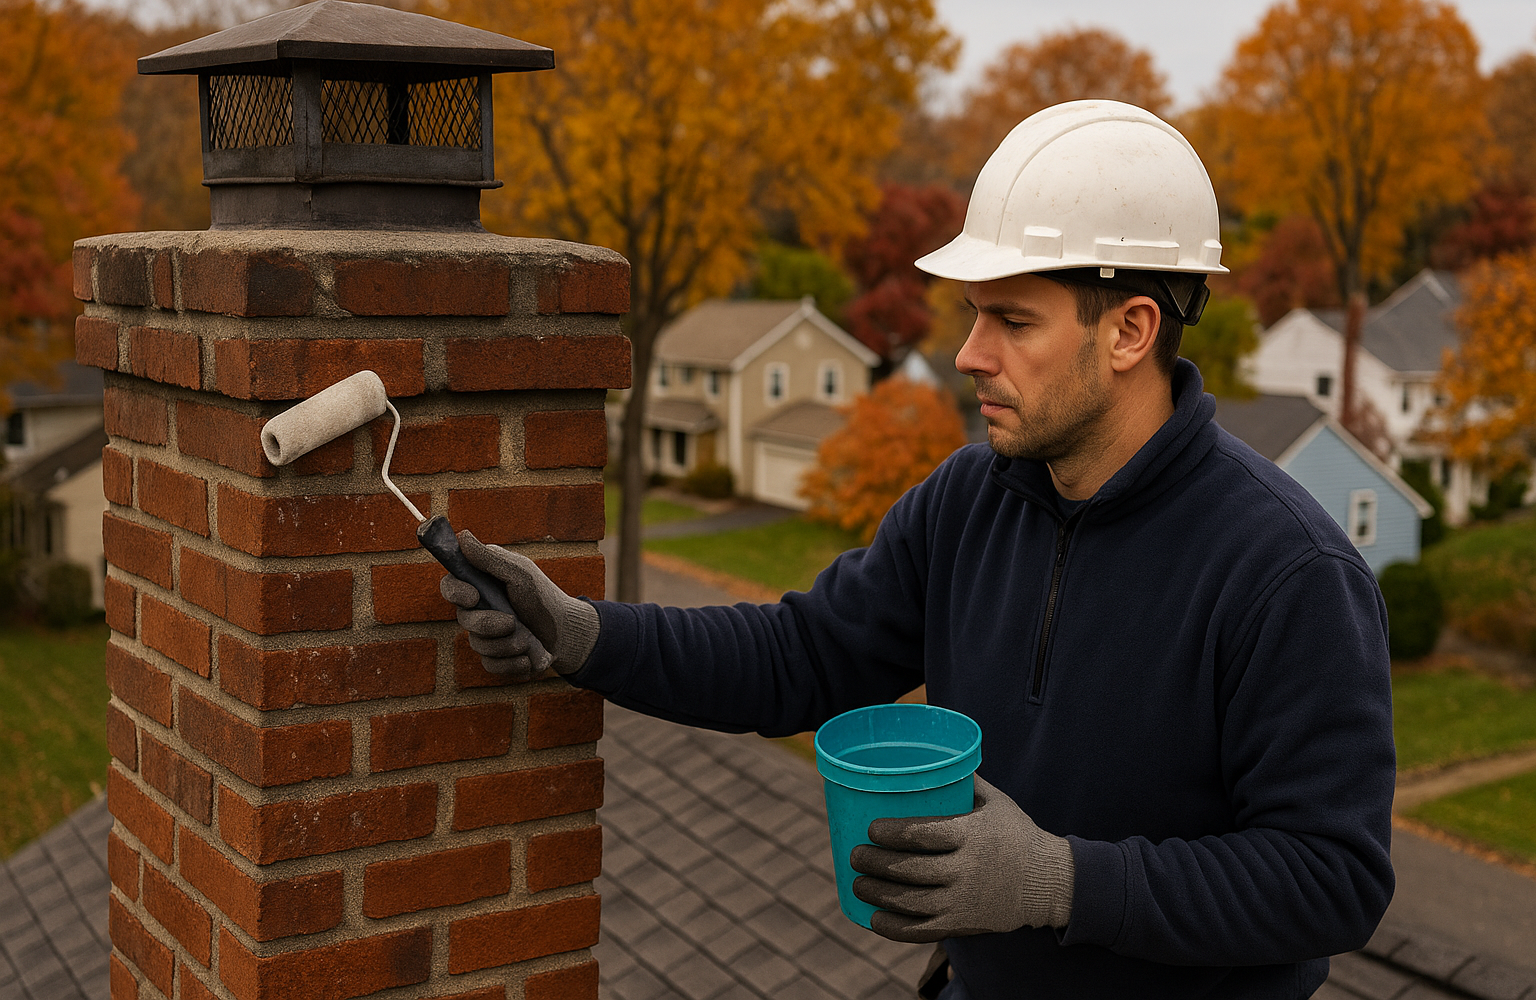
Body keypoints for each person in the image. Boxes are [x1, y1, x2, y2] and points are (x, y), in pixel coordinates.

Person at [440, 100, 1396, 999]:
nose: (969, 353)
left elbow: (1332, 877)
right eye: (975, 314)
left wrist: (1062, 883)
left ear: (1130, 330)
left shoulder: (1288, 574)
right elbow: (801, 658)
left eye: (1012, 321)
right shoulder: (966, 502)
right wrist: (583, 637)